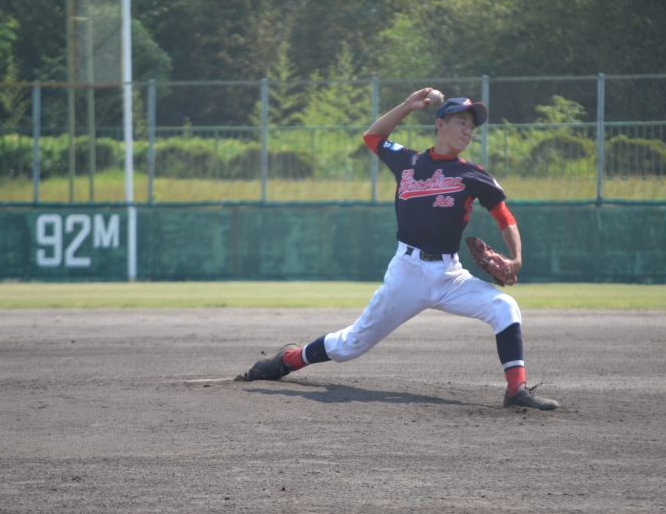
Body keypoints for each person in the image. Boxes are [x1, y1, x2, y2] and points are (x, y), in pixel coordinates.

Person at [238, 87, 558, 411]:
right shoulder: (408, 161)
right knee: (351, 345)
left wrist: (516, 259)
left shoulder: (471, 174)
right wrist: (407, 106)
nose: (467, 131)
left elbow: (504, 217)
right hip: (408, 273)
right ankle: (288, 359)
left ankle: (516, 390)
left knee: (504, 306)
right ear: (440, 124)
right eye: (461, 122)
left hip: (450, 276)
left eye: (471, 126)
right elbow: (372, 137)